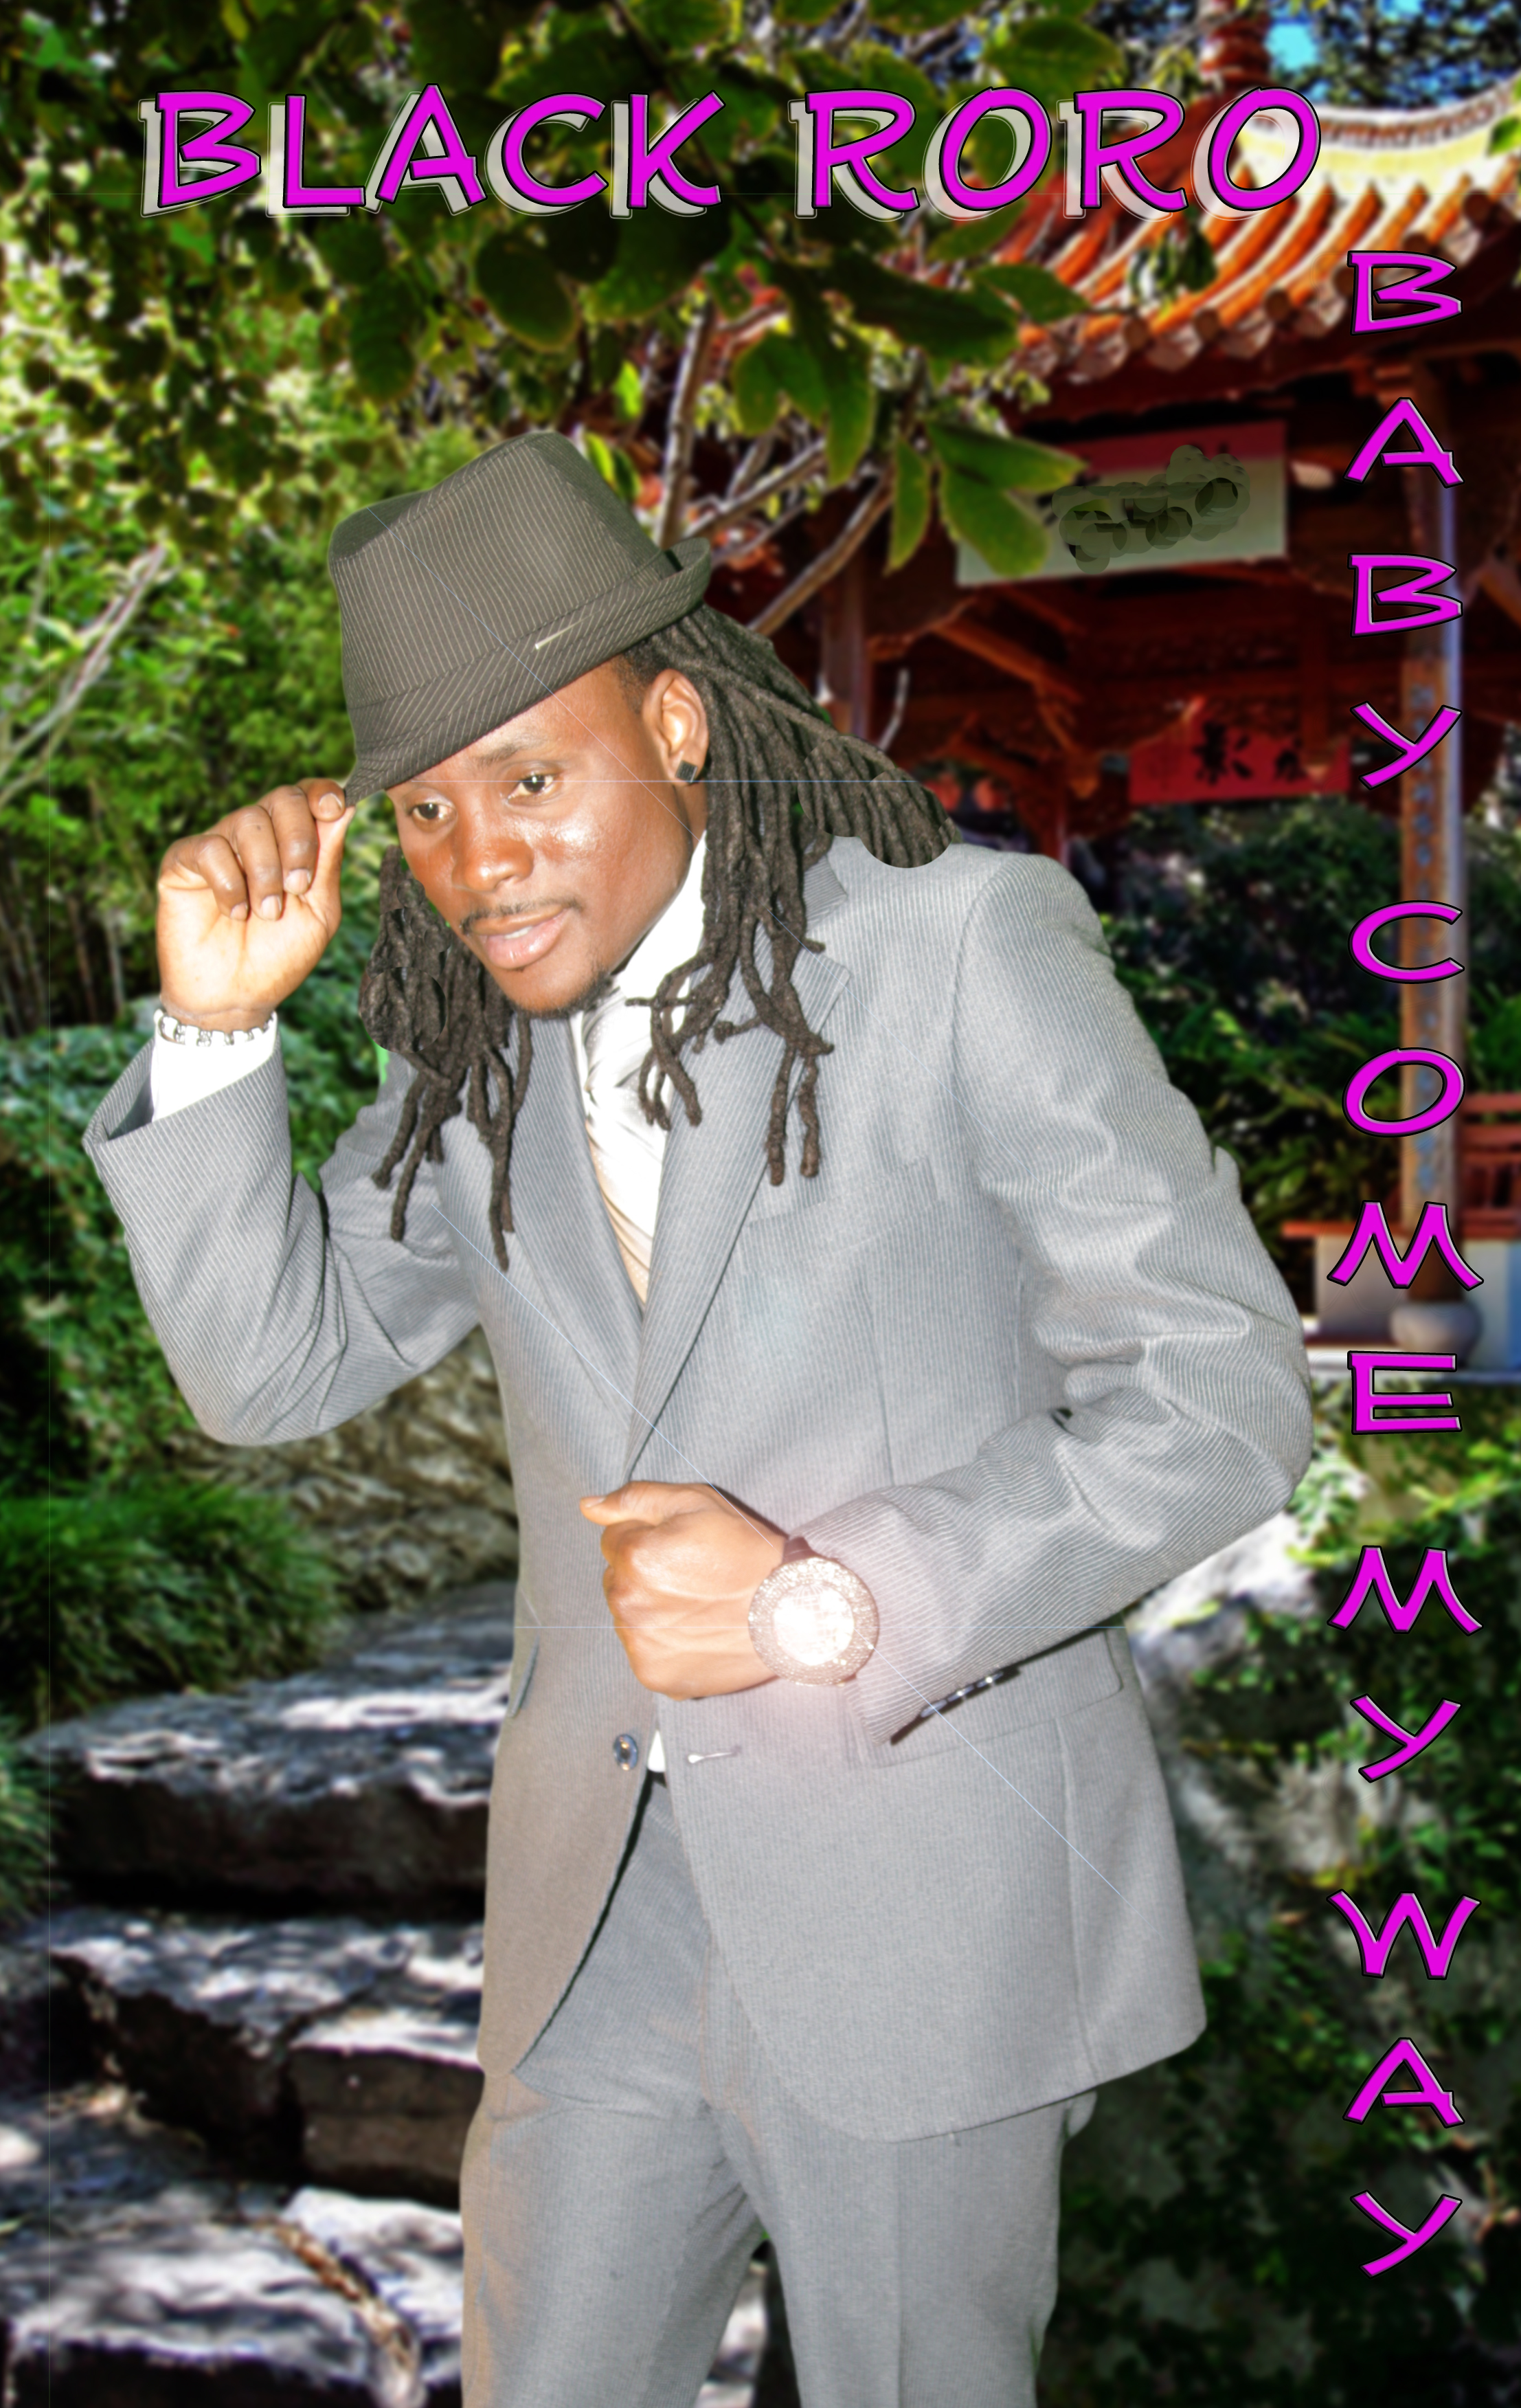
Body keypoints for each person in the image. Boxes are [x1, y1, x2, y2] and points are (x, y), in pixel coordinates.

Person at [85, 432, 1314, 2408]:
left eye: (531, 779)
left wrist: (832, 1600)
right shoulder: (471, 1053)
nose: (478, 862)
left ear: (675, 724)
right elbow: (273, 1368)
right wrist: (216, 1031)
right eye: (425, 811)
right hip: (595, 1918)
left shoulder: (956, 950)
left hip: (927, 1883)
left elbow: (1221, 1389)